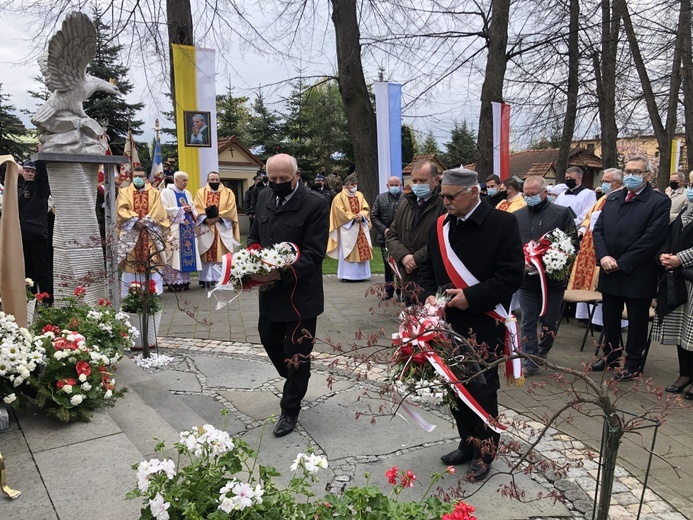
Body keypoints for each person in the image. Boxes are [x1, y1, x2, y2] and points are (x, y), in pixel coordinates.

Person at [418, 167, 524, 480]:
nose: (445, 201)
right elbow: (427, 268)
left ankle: (486, 452)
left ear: (474, 192)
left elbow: (511, 275)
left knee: (481, 390)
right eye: (443, 195)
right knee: (453, 386)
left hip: (483, 321)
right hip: (446, 322)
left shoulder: (503, 223)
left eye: (451, 196)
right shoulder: (440, 225)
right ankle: (466, 444)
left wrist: (472, 297)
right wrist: (426, 297)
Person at [247, 153, 329, 437]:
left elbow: (315, 254)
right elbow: (254, 235)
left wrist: (279, 274)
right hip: (270, 295)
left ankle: (290, 409)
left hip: (300, 297)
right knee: (269, 340)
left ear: (297, 175)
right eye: (273, 179)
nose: (278, 184)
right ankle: (297, 378)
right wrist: (251, 259)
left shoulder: (315, 204)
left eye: (284, 179)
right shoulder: (263, 197)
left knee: (297, 356)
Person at [591, 156, 670, 380]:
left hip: (637, 271)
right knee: (610, 317)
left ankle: (633, 362)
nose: (630, 175)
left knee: (636, 320)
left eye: (637, 171)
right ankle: (611, 355)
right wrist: (604, 256)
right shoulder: (614, 198)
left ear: (648, 175)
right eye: (628, 171)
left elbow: (651, 239)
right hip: (609, 268)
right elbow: (599, 231)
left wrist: (622, 262)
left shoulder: (658, 201)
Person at [514, 176, 576, 375]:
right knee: (527, 320)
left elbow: (573, 243)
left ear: (545, 193)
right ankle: (530, 359)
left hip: (552, 281)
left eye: (533, 194)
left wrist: (554, 262)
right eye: (526, 194)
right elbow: (511, 244)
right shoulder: (517, 216)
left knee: (549, 321)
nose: (529, 198)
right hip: (527, 279)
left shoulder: (561, 213)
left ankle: (543, 349)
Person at [654, 172, 693, 399]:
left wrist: (681, 258)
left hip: (687, 270)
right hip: (680, 278)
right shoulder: (686, 210)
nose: (690, 189)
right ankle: (686, 373)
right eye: (690, 184)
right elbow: (670, 235)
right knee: (683, 330)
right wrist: (665, 255)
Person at [386, 162, 445, 303]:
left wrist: (415, 259)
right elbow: (392, 234)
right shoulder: (405, 204)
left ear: (436, 181)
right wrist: (404, 256)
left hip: (432, 282)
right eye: (415, 181)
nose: (418, 185)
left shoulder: (444, 206)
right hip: (408, 279)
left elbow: (442, 239)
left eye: (423, 181)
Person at [571, 168, 624, 326]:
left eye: (607, 182)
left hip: (604, 246)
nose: (603, 185)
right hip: (590, 242)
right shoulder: (603, 198)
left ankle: (600, 320)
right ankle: (587, 316)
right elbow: (590, 216)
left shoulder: (620, 197)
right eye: (603, 182)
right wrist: (582, 229)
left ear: (618, 182)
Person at [116, 166, 170, 297]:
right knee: (131, 261)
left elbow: (159, 211)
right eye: (136, 176)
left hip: (149, 232)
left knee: (151, 259)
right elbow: (121, 209)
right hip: (132, 232)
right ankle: (130, 292)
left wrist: (145, 222)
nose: (138, 179)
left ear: (146, 179)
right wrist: (135, 222)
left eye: (141, 176)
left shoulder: (155, 193)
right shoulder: (124, 192)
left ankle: (153, 291)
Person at [194, 172, 240, 289]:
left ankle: (222, 278)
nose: (214, 182)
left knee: (222, 254)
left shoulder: (228, 192)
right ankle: (206, 279)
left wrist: (218, 218)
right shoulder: (201, 192)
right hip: (207, 227)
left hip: (222, 226)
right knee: (206, 252)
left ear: (220, 180)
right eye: (212, 179)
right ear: (207, 180)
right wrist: (205, 219)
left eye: (216, 179)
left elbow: (231, 209)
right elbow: (197, 207)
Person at [18, 161, 54, 305]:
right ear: (21, 172)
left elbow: (43, 176)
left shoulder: (40, 189)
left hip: (38, 235)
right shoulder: (16, 187)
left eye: (32, 172)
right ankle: (30, 299)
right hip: (20, 235)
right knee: (27, 271)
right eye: (27, 171)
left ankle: (47, 300)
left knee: (43, 270)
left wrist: (40, 156)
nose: (30, 174)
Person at [327, 173, 373, 282]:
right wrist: (353, 217)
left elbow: (366, 208)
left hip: (361, 226)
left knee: (362, 250)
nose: (354, 186)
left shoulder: (359, 195)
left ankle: (362, 275)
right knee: (348, 250)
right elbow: (339, 212)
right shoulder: (339, 197)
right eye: (352, 184)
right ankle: (348, 275)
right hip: (348, 228)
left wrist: (361, 215)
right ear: (346, 185)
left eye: (356, 184)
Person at [160, 171, 201, 291]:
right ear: (175, 180)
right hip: (174, 228)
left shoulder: (187, 193)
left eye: (187, 180)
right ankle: (173, 282)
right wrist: (180, 210)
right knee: (174, 255)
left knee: (186, 253)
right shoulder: (166, 192)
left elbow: (193, 207)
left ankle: (185, 281)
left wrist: (191, 210)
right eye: (183, 180)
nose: (186, 183)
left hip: (187, 228)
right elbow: (163, 209)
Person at [371, 176, 404, 300]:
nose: (394, 187)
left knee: (400, 265)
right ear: (387, 186)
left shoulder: (405, 199)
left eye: (397, 185)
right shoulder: (380, 198)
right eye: (392, 185)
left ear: (400, 185)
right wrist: (384, 230)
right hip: (384, 238)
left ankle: (401, 292)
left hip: (401, 238)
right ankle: (389, 290)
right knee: (388, 265)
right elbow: (374, 216)